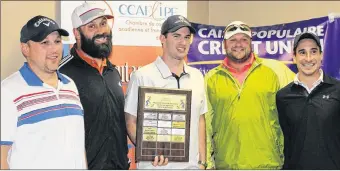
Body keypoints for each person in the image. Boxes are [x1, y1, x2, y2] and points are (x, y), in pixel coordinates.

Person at [204, 21, 295, 169]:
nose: (238, 44)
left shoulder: (276, 70)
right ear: (225, 44)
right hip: (227, 164)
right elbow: (205, 124)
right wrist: (207, 162)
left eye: (244, 39)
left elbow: (299, 107)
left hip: (269, 164)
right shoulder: (211, 78)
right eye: (233, 40)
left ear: (251, 43)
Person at [0, 15, 86, 169]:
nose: (54, 49)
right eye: (45, 43)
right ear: (25, 48)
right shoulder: (8, 91)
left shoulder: (70, 85)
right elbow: (2, 154)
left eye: (57, 41)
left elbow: (78, 146)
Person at [124, 15, 207, 169]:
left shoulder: (197, 77)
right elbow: (130, 122)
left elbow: (200, 119)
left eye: (187, 37)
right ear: (162, 38)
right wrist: (150, 151)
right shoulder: (142, 76)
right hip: (156, 167)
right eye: (176, 36)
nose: (183, 42)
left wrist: (202, 162)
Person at [58, 2, 129, 170]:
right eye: (92, 26)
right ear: (77, 33)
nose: (101, 31)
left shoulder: (112, 72)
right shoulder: (62, 74)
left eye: (103, 23)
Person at [276, 32, 340, 169]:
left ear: (321, 55)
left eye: (313, 51)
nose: (308, 58)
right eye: (302, 52)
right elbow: (287, 141)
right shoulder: (283, 96)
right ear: (294, 57)